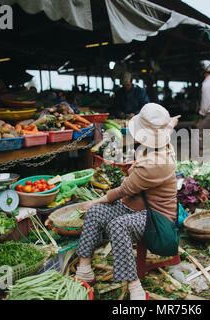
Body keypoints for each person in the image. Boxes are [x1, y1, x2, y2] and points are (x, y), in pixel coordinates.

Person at [74, 103, 179, 300]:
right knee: (96, 213)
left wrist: (97, 200)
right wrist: (170, 122)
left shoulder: (155, 164)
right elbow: (168, 125)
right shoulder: (161, 141)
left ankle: (134, 287)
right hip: (133, 207)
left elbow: (124, 190)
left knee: (117, 225)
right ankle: (84, 268)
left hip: (155, 217)